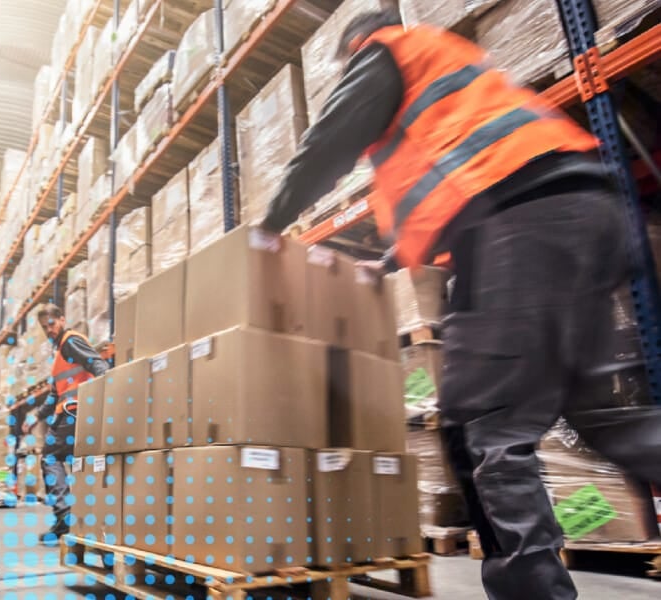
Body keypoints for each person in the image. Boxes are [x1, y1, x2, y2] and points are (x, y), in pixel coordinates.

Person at [260, 10, 661, 600]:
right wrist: (392, 260)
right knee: (609, 419)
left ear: (352, 46)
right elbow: (451, 174)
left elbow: (328, 143)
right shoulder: (445, 64)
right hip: (579, 211)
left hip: (519, 221)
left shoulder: (384, 52)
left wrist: (268, 225)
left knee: (482, 423)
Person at [22, 303, 109, 545]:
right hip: (71, 412)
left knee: (50, 458)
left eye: (51, 324)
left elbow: (98, 365)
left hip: (74, 412)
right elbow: (53, 395)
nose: (48, 330)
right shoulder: (59, 353)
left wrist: (107, 397)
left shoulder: (70, 341)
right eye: (44, 327)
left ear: (61, 319)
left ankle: (63, 517)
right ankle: (80, 520)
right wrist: (35, 418)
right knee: (78, 465)